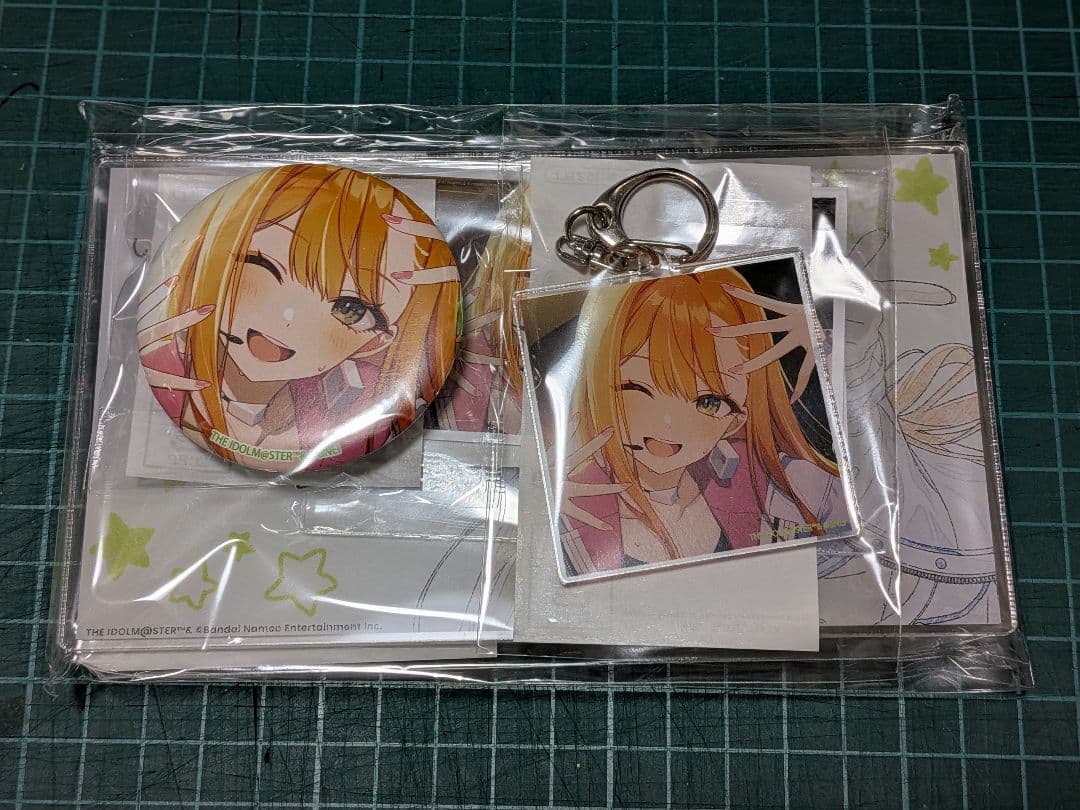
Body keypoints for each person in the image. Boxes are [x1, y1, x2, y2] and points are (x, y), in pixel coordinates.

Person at [137, 164, 458, 471]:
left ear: (377, 341)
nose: (287, 318)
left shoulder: (365, 401)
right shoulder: (168, 365)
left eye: (350, 309)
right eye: (260, 264)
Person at [554, 266, 850, 576]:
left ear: (736, 419)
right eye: (636, 388)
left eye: (708, 401)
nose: (668, 422)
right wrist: (539, 506)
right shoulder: (569, 500)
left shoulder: (775, 486)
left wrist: (832, 351)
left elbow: (874, 525)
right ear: (596, 385)